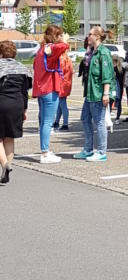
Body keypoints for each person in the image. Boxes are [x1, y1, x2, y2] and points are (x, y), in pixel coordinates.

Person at [73, 26, 115, 162]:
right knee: (85, 119)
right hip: (90, 93)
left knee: (99, 122)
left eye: (90, 34)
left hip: (98, 93)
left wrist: (106, 94)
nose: (88, 36)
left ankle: (102, 151)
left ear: (97, 37)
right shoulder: (92, 52)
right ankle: (88, 149)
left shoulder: (103, 53)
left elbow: (107, 75)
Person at [33, 24, 69, 163]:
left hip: (41, 89)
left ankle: (45, 150)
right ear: (55, 36)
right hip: (49, 88)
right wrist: (64, 40)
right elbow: (63, 47)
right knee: (48, 122)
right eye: (59, 35)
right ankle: (45, 153)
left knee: (43, 122)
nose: (61, 37)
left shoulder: (42, 49)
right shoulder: (50, 49)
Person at [0, 41, 32, 184]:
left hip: (1, 102)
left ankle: (5, 164)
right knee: (10, 137)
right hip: (17, 104)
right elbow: (25, 92)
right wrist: (24, 109)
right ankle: (6, 169)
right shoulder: (22, 69)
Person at [52, 46, 73, 131]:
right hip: (67, 83)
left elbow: (58, 72)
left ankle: (65, 123)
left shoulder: (61, 59)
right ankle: (57, 122)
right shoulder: (68, 59)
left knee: (62, 104)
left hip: (61, 84)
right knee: (60, 104)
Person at [110, 55, 125, 125]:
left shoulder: (111, 68)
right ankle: (117, 118)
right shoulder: (121, 68)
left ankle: (108, 117)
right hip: (120, 88)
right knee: (119, 103)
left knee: (111, 102)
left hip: (113, 88)